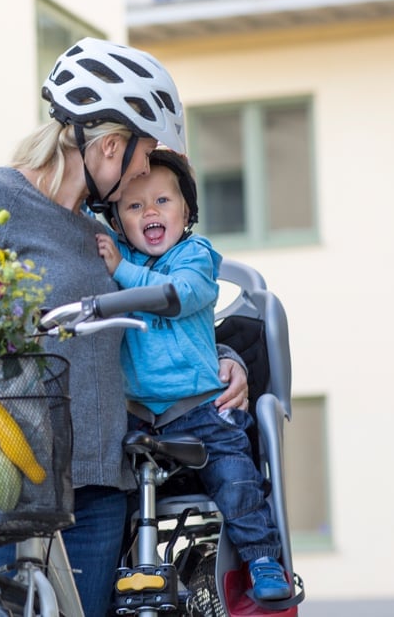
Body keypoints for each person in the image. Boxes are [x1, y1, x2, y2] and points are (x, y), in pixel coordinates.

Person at [0, 37, 249, 617]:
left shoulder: (110, 236)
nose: (145, 178)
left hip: (95, 484)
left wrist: (227, 358)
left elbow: (167, 307)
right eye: (142, 160)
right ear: (112, 147)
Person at [95, 148, 292, 602]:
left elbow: (176, 296)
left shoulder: (195, 256)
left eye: (163, 200)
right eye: (133, 205)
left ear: (187, 210)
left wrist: (120, 270)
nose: (149, 212)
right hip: (138, 415)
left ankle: (262, 557)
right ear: (119, 221)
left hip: (199, 408)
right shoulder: (118, 254)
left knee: (236, 478)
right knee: (108, 495)